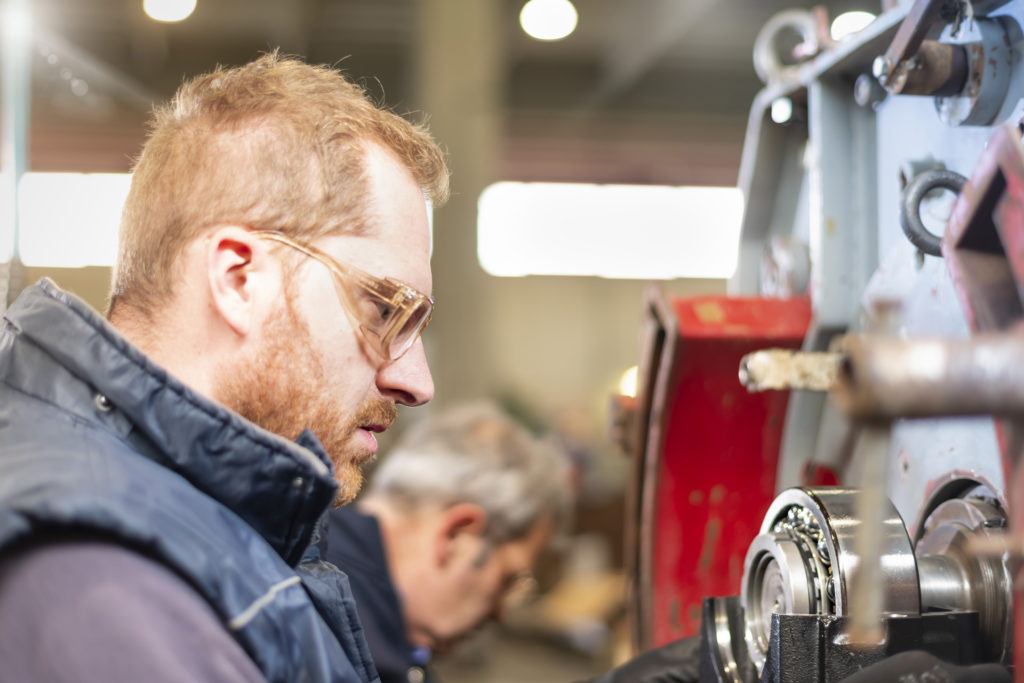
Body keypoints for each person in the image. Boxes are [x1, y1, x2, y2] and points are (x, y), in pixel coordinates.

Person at [0, 51, 448, 682]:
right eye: (386, 314)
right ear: (239, 278)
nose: (417, 383)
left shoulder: (185, 521)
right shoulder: (98, 584)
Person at [323, 402, 574, 683]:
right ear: (456, 535)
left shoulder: (318, 568)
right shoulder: (349, 654)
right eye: (507, 579)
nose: (500, 614)